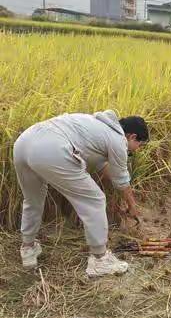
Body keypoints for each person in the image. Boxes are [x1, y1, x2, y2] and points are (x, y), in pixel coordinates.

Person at [13, 110, 149, 277]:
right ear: (132, 137)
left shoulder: (97, 127)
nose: (137, 150)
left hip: (24, 142)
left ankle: (28, 248)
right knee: (96, 200)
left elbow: (107, 171)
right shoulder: (118, 140)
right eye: (140, 145)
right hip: (52, 148)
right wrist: (132, 206)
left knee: (33, 199)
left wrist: (118, 200)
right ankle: (99, 260)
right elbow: (121, 180)